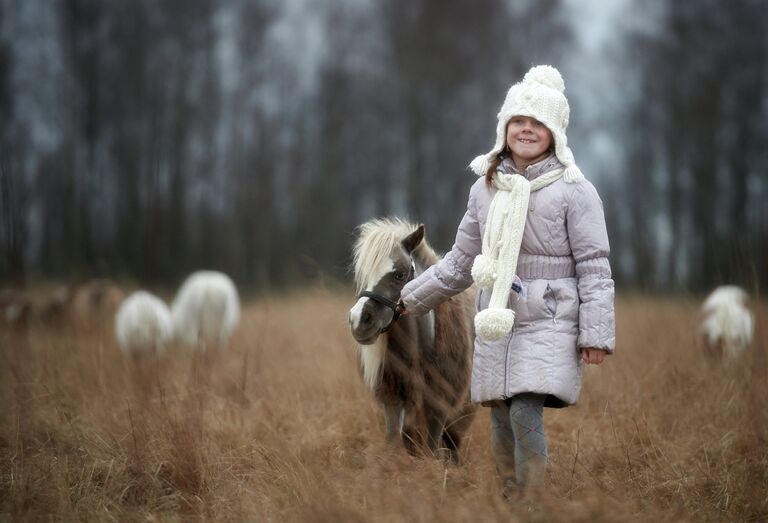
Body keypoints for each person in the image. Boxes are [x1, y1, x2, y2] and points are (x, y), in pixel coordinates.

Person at [398, 65, 615, 494]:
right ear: (504, 127)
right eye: (519, 120)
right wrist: (409, 298)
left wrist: (596, 333)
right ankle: (509, 497)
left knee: (523, 411)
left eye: (538, 122)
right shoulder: (485, 188)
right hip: (497, 317)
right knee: (498, 415)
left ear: (556, 133)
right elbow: (460, 263)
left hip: (550, 316)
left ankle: (531, 501)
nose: (527, 129)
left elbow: (594, 266)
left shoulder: (576, 191)